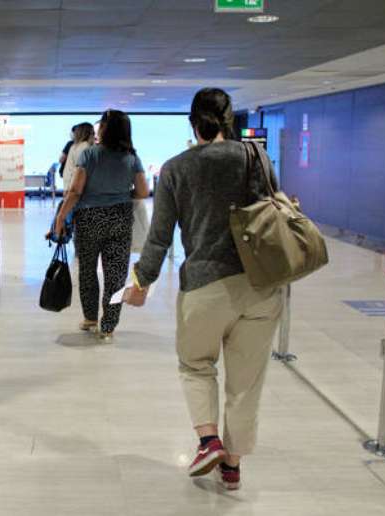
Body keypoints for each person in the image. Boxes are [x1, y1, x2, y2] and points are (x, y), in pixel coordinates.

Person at [123, 88, 283, 490]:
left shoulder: (177, 168)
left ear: (193, 123)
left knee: (196, 364)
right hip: (261, 285)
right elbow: (273, 212)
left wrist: (142, 280)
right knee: (247, 383)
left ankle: (208, 439)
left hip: (205, 286)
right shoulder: (256, 157)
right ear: (230, 120)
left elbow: (159, 237)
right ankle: (232, 465)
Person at [54, 110, 149, 341]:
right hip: (120, 219)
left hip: (89, 218)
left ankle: (90, 318)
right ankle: (108, 326)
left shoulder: (90, 155)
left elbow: (76, 190)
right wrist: (122, 193)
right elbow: (143, 191)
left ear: (106, 128)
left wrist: (60, 217)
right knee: (115, 275)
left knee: (87, 270)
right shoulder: (132, 158)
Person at [63, 123, 95, 193]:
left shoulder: (75, 146)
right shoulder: (85, 147)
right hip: (77, 186)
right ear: (89, 134)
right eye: (93, 133)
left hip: (70, 184)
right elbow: (83, 170)